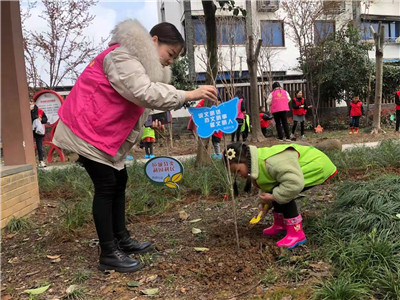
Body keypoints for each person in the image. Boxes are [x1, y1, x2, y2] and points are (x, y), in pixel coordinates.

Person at [52, 20, 217, 273]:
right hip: (87, 131)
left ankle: (121, 239)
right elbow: (143, 92)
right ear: (153, 41)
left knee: (119, 180)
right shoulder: (123, 56)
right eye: (170, 54)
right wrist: (189, 94)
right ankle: (108, 252)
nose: (170, 61)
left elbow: (135, 101)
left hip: (101, 133)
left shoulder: (137, 63)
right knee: (106, 186)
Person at [223, 142, 337, 249]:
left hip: (315, 165)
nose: (239, 175)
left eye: (238, 171)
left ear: (245, 161)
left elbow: (293, 184)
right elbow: (267, 183)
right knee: (276, 191)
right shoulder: (257, 164)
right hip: (293, 174)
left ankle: (296, 233)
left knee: (284, 193)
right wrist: (264, 203)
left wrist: (273, 197)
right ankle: (280, 225)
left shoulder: (272, 163)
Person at [30, 99, 48, 168]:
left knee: (39, 147)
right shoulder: (25, 111)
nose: (30, 103)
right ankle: (31, 161)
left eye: (31, 102)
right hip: (29, 130)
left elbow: (45, 119)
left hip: (38, 131)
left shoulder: (39, 111)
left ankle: (41, 161)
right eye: (29, 102)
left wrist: (41, 120)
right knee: (29, 147)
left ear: (34, 103)